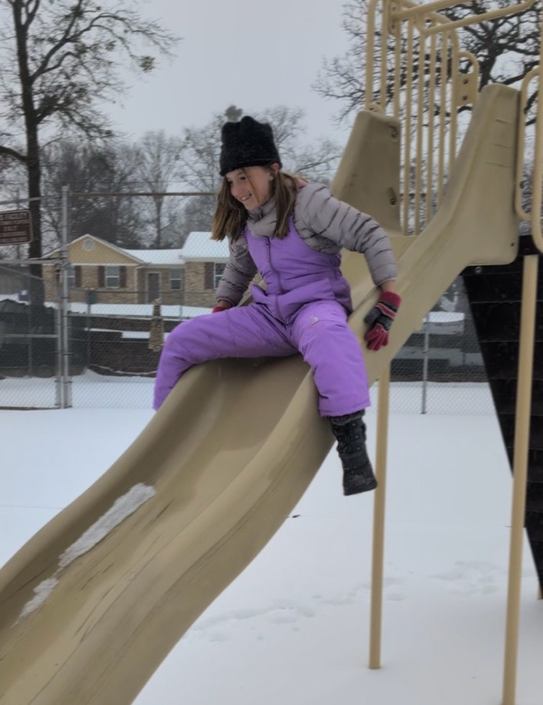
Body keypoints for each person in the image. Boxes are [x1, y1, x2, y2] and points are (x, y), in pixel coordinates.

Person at [153, 116, 401, 495]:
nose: (238, 189)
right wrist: (223, 308)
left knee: (328, 336)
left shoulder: (310, 203)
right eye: (231, 180)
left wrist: (389, 294)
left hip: (316, 306)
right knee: (182, 339)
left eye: (244, 176)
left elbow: (368, 232)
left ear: (272, 169)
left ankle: (351, 443)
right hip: (269, 316)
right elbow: (240, 266)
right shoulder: (250, 218)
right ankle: (163, 438)